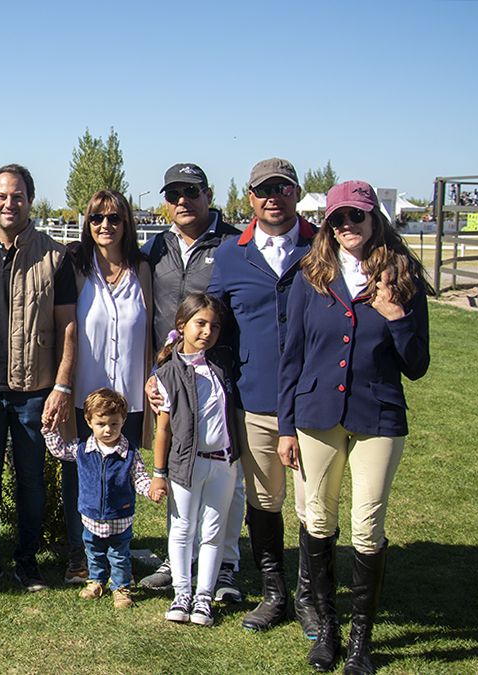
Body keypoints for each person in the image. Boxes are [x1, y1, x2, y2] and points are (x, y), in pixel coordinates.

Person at [278, 180, 431, 674]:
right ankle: (328, 629)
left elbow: (417, 364)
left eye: (357, 218)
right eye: (338, 219)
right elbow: (292, 356)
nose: (348, 227)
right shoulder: (310, 276)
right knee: (317, 522)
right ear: (327, 224)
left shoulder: (400, 275)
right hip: (316, 415)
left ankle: (361, 641)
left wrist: (397, 316)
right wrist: (285, 427)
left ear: (374, 220)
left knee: (368, 528)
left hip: (378, 416)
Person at [0, 163, 78, 592]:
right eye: (2, 195)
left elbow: (67, 328)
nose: (10, 203)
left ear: (30, 200)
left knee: (31, 477)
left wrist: (62, 385)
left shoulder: (54, 256)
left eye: (18, 195)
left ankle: (27, 560)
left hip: (33, 391)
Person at [207, 158, 318, 634]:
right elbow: (214, 322)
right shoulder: (233, 253)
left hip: (316, 403)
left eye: (282, 187)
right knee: (264, 500)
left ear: (296, 193)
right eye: (263, 190)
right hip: (255, 399)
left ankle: (312, 597)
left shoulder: (323, 247)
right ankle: (276, 593)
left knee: (315, 508)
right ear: (250, 199)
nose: (274, 197)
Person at [140, 163, 244, 603]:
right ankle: (175, 558)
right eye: (173, 194)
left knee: (227, 471)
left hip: (221, 377)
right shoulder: (155, 248)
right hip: (176, 377)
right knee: (180, 467)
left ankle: (226, 564)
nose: (182, 201)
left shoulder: (235, 243)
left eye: (191, 191)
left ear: (208, 193)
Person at [59, 189, 153, 586]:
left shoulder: (143, 269)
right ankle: (79, 554)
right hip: (86, 397)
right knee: (79, 475)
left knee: (121, 476)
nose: (105, 226)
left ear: (127, 222)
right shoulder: (76, 265)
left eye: (114, 218)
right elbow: (65, 326)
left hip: (130, 397)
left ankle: (119, 553)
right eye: (97, 218)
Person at [150, 293, 241, 627]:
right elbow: (163, 431)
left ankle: (204, 596)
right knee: (182, 528)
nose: (207, 332)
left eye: (214, 326)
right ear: (181, 325)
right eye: (200, 323)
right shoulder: (167, 374)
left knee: (213, 531)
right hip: (186, 464)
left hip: (223, 464)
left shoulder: (222, 364)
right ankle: (182, 592)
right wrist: (159, 473)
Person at [44, 388, 159, 607]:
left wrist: (151, 490)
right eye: (101, 424)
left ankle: (121, 588)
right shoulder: (82, 449)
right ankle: (96, 581)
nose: (108, 430)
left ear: (123, 421)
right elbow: (59, 451)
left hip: (120, 518)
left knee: (119, 556)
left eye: (114, 424)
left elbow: (141, 478)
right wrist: (50, 430)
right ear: (89, 422)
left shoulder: (129, 453)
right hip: (90, 517)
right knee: (93, 553)